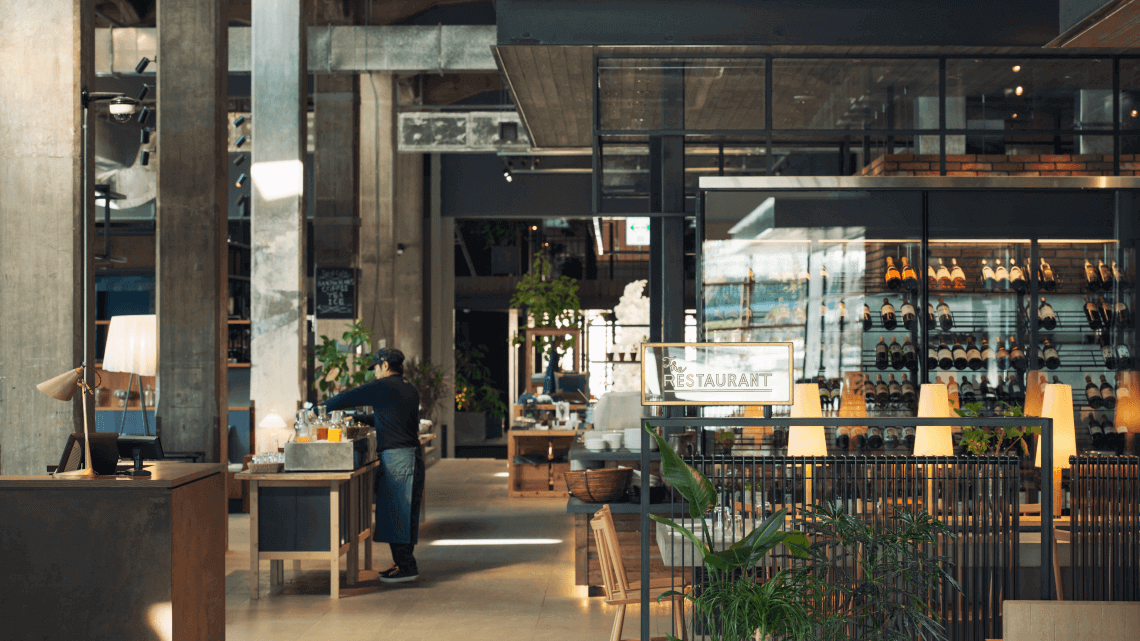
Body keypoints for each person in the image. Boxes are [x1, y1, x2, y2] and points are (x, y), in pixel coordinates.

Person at [321, 347, 424, 583]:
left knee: (396, 513)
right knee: (404, 513)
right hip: (410, 456)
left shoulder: (384, 386)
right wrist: (358, 417)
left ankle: (407, 568)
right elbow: (389, 418)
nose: (374, 373)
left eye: (376, 368)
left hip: (399, 458)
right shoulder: (407, 387)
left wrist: (318, 409)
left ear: (385, 365)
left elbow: (346, 396)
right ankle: (404, 563)